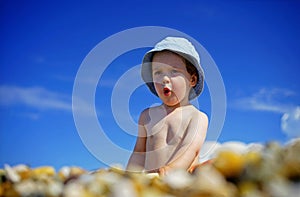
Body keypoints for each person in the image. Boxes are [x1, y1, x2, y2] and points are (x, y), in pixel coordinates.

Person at [126, 37, 208, 176]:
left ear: (192, 80)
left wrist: (172, 169)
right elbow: (139, 152)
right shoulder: (147, 116)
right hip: (153, 180)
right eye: (158, 73)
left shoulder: (197, 117)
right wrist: (129, 176)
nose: (164, 78)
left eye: (174, 71)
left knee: (211, 167)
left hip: (181, 179)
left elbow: (190, 149)